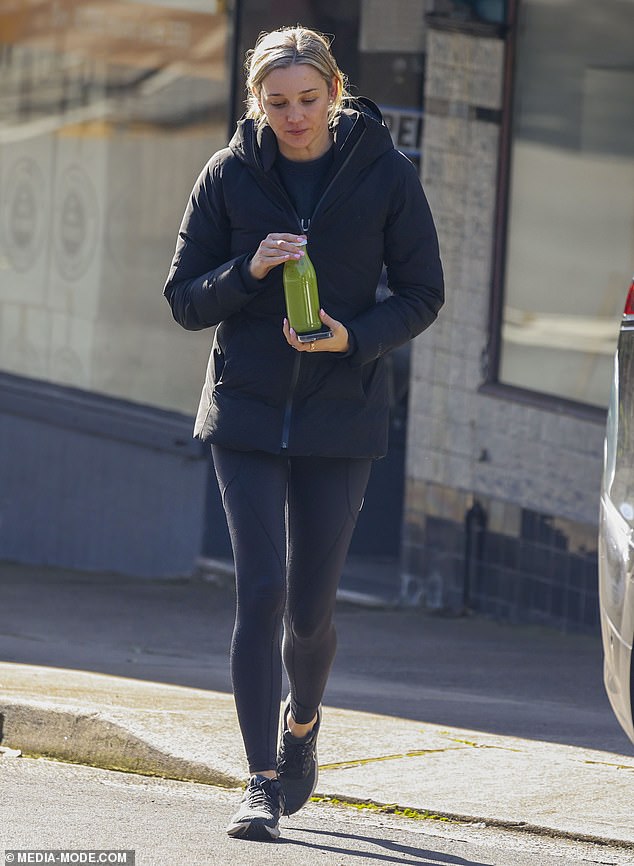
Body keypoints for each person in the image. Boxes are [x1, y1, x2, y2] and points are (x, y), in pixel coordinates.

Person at [163, 25, 444, 842]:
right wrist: (246, 270)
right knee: (261, 594)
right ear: (257, 101)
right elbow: (183, 298)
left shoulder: (386, 175)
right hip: (246, 414)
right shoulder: (228, 174)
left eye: (308, 100)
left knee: (310, 614)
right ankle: (257, 782)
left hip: (341, 416)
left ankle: (303, 723)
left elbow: (423, 293)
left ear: (335, 91)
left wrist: (353, 337)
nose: (295, 118)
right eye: (277, 103)